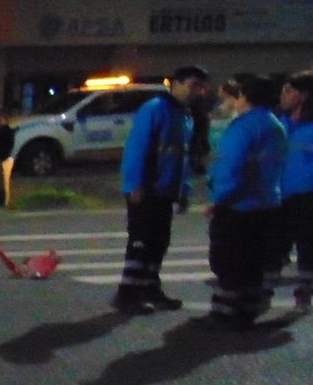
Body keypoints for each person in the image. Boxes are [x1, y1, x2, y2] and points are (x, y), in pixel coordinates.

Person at [111, 65, 209, 314]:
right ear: (174, 83)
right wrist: (135, 185)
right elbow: (137, 148)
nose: (197, 91)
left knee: (158, 243)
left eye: (200, 86)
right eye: (192, 85)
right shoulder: (155, 109)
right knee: (141, 243)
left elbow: (181, 157)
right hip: (147, 189)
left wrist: (183, 190)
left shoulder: (184, 115)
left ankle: (149, 289)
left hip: (165, 191)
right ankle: (128, 294)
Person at [202, 74, 286, 330]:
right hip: (267, 203)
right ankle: (246, 312)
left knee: (228, 260)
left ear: (244, 97)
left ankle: (226, 312)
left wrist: (218, 200)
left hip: (239, 206)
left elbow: (231, 168)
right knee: (253, 263)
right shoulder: (274, 125)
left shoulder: (244, 127)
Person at [264, 71, 313, 311]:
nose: (283, 95)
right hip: (276, 195)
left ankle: (303, 292)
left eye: (289, 90)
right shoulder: (278, 122)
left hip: (307, 197)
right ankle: (261, 293)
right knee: (272, 245)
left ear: (304, 96)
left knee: (307, 246)